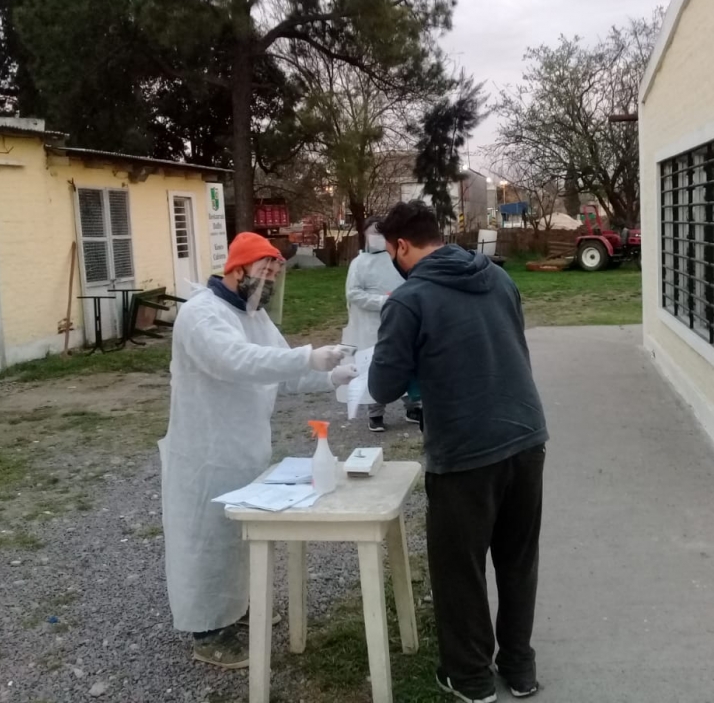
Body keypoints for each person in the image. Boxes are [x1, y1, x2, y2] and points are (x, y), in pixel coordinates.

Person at [368, 202, 548, 702]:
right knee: (517, 559)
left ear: (402, 246)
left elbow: (381, 385)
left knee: (459, 566)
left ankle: (469, 677)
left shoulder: (409, 299)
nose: (392, 261)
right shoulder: (495, 275)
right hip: (527, 435)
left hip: (466, 449)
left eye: (390, 252)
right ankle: (519, 668)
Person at [159, 231, 357, 669]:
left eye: (273, 277)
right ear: (236, 270)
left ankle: (234, 611)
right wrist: (308, 357)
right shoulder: (200, 315)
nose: (268, 285)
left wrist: (331, 376)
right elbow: (237, 362)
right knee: (207, 538)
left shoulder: (254, 316)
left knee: (240, 536)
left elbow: (281, 367)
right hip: (204, 449)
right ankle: (207, 629)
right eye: (262, 274)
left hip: (245, 445)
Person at [342, 216, 421, 433]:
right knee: (375, 366)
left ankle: (413, 407)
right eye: (372, 232)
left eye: (381, 233)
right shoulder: (359, 264)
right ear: (365, 235)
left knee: (404, 361)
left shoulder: (397, 258)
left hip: (399, 319)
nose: (377, 237)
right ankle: (375, 413)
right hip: (371, 324)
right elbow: (353, 293)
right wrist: (382, 301)